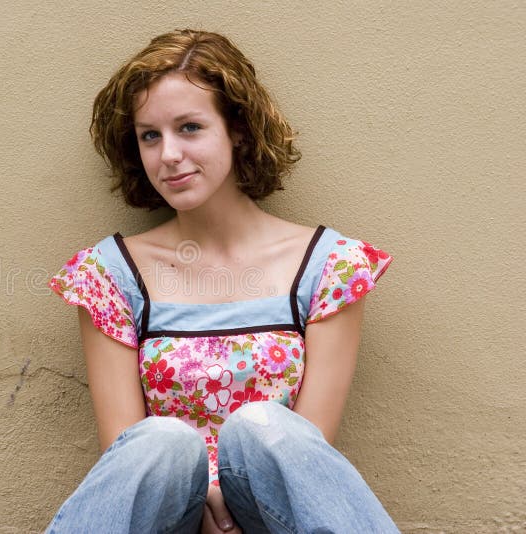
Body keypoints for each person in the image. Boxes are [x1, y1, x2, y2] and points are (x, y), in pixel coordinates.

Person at [46, 29, 398, 534]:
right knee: (159, 441)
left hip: (272, 515)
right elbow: (127, 465)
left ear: (237, 128)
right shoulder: (109, 275)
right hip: (166, 516)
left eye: (189, 127)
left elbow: (305, 458)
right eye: (150, 135)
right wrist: (204, 494)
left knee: (266, 427)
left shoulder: (329, 265)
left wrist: (230, 499)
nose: (168, 154)